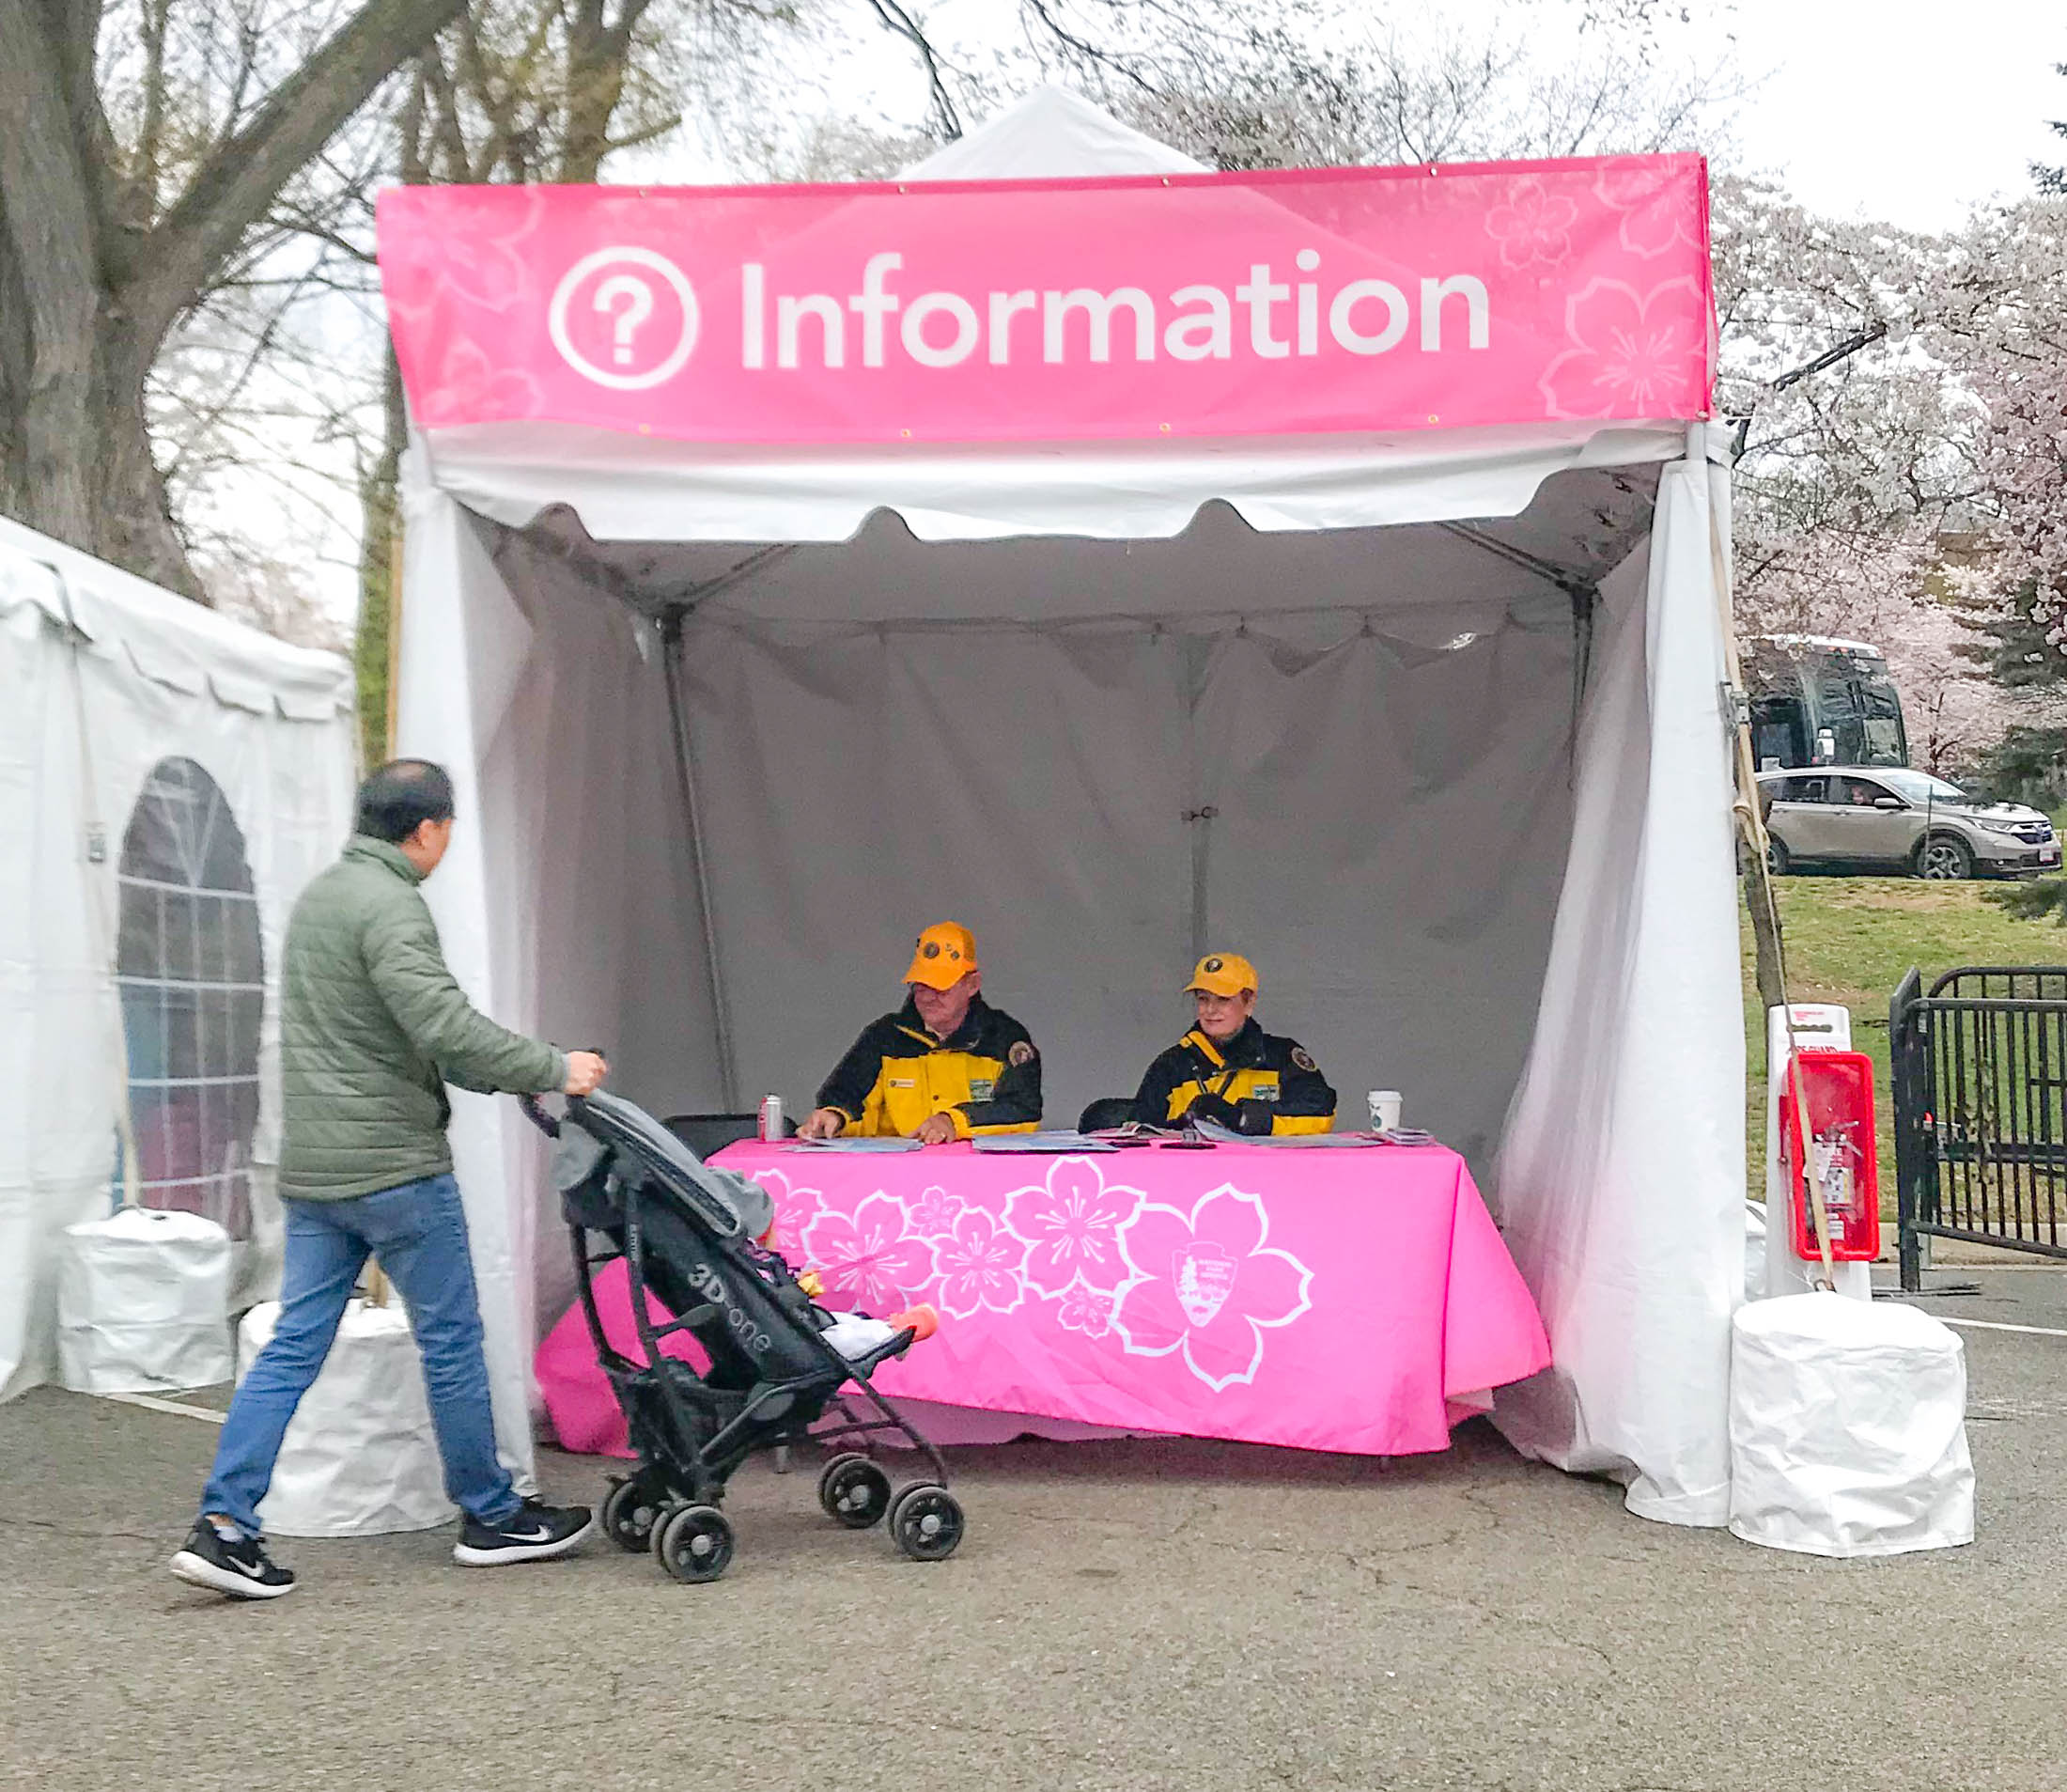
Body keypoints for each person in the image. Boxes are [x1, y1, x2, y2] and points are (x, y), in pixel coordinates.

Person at [169, 760, 609, 1601]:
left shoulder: (323, 898)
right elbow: (440, 1024)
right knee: (449, 1336)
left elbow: (387, 1032)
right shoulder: (394, 906)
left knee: (296, 1341)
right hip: (394, 1169)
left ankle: (225, 1525)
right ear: (428, 830)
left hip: (317, 1169)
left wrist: (503, 1071)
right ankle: (490, 1514)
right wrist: (556, 1066)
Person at [798, 923, 1041, 1143]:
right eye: (921, 986)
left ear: (972, 985)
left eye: (941, 988)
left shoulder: (1005, 1038)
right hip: (898, 1179)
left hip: (977, 1177)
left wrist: (954, 1121)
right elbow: (847, 1098)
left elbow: (1023, 1109)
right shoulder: (883, 1036)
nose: (928, 998)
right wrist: (834, 1117)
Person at [1131, 952, 1336, 1136]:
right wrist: (1183, 1128)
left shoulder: (1280, 1056)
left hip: (1265, 1175)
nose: (1210, 1010)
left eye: (1223, 999)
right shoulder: (1171, 1065)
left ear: (1249, 1003)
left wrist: (1240, 1117)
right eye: (1203, 999)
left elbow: (1321, 1113)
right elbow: (1138, 1133)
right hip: (1191, 1176)